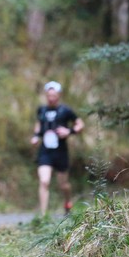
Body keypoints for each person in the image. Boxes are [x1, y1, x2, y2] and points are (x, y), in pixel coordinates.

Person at [30, 81, 84, 216]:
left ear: (59, 95)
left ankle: (67, 203)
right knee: (44, 181)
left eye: (54, 95)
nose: (51, 98)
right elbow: (38, 124)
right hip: (45, 151)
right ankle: (43, 215)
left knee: (63, 185)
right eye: (49, 95)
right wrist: (36, 136)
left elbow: (80, 124)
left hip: (61, 152)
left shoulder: (65, 110)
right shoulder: (41, 110)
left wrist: (69, 131)